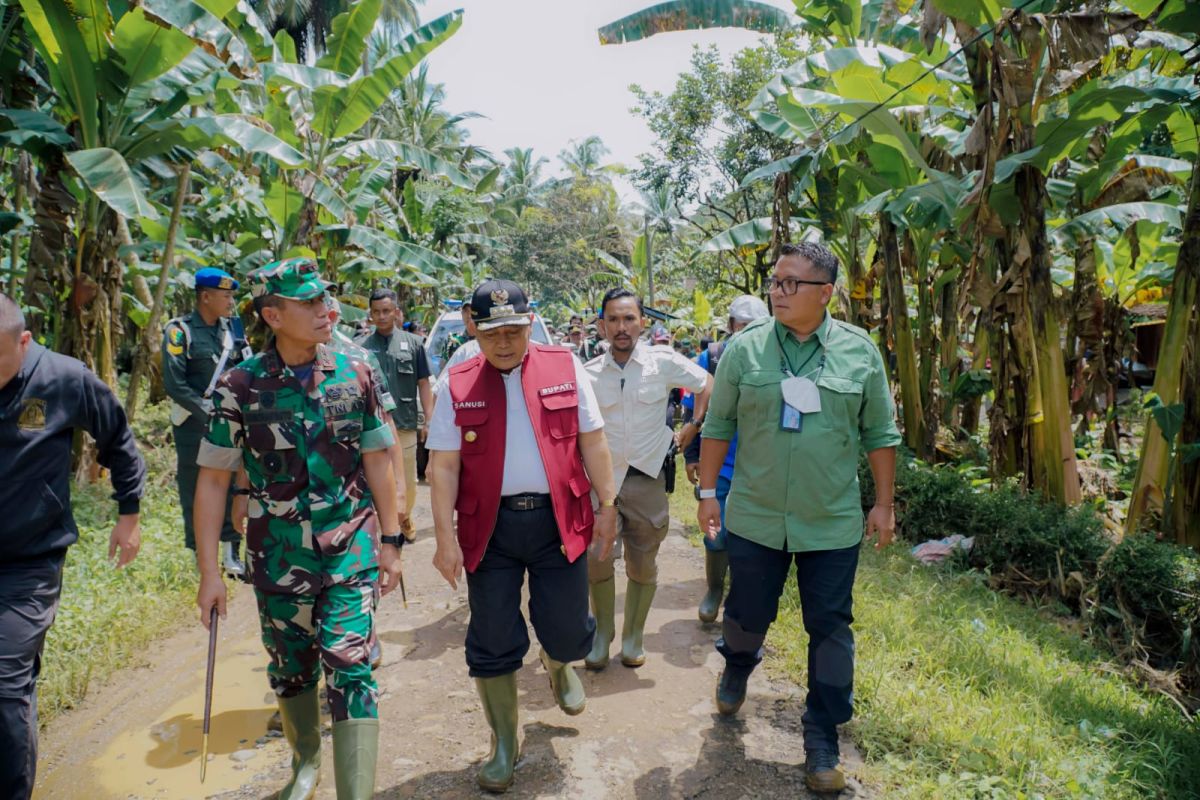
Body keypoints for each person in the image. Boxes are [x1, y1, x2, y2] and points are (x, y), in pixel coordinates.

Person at [194, 259, 403, 800]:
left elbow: (379, 458)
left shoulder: (355, 374)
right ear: (273, 315)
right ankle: (305, 763)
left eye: (324, 299)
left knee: (350, 661)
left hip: (349, 544)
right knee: (291, 667)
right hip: (278, 554)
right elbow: (214, 481)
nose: (325, 310)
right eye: (309, 303)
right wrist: (210, 573)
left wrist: (391, 540)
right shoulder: (240, 386)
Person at [696, 242, 900, 793]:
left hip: (830, 521)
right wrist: (709, 492)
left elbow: (881, 434)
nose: (777, 292)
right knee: (747, 611)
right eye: (775, 282)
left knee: (830, 626)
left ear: (825, 293)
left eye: (790, 284)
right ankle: (738, 664)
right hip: (756, 516)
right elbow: (718, 425)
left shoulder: (859, 352)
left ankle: (822, 736)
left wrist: (883, 504)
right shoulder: (745, 350)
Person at [426, 279, 618, 793]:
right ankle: (504, 744)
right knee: (490, 639)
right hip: (488, 530)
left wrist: (607, 505)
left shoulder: (564, 366)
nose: (505, 343)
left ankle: (557, 662)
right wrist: (443, 538)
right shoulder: (458, 381)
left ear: (530, 323)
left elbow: (593, 441)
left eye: (514, 330)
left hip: (559, 521)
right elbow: (442, 467)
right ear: (474, 328)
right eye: (493, 333)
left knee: (568, 630)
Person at [0, 293, 145, 800]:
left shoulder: (64, 378)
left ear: (24, 340)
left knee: (4, 684)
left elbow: (119, 441)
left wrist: (129, 513)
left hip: (28, 561)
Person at [582, 289, 712, 670]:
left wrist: (693, 427)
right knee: (597, 559)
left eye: (629, 319)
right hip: (602, 485)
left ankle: (633, 637)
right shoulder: (587, 373)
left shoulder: (663, 363)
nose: (621, 328)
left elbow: (707, 384)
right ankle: (602, 635)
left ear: (642, 322)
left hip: (647, 479)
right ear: (602, 324)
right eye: (613, 320)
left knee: (643, 562)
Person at [682, 294, 770, 623]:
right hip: (720, 461)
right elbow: (693, 407)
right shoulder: (713, 358)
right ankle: (714, 589)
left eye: (754, 326)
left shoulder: (776, 356)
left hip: (761, 466)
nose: (746, 332)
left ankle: (740, 598)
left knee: (752, 537)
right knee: (715, 531)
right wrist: (692, 456)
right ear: (731, 326)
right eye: (741, 325)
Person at [162, 267, 252, 576]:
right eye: (226, 296)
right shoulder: (179, 331)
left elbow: (246, 371)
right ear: (205, 297)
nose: (231, 302)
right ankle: (202, 555)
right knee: (195, 486)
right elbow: (174, 384)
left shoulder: (233, 331)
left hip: (230, 422)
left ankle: (231, 554)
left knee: (232, 486)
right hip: (193, 423)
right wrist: (209, 413)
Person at [358, 289, 433, 542]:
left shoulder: (414, 344)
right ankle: (385, 524)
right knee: (376, 477)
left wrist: (428, 420)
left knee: (409, 482)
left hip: (404, 423)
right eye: (376, 312)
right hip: (372, 427)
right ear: (370, 314)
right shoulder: (361, 349)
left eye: (386, 311)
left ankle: (405, 515)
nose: (381, 316)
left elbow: (423, 383)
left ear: (396, 312)